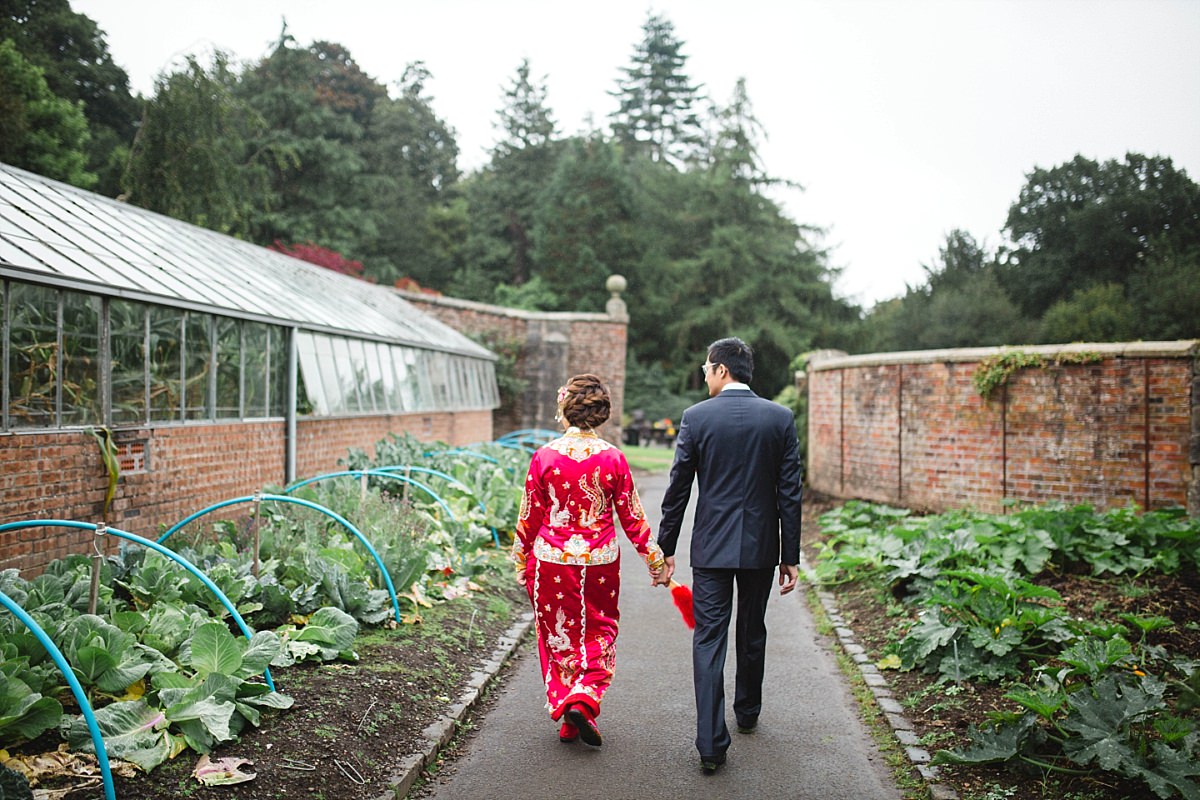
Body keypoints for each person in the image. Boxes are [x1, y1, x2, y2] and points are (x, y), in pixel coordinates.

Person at [655, 337, 803, 774]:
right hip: (760, 547)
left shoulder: (697, 418)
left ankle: (710, 744)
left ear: (722, 370)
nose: (703, 374)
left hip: (711, 548)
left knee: (708, 638)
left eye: (706, 367)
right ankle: (749, 711)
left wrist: (665, 549)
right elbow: (789, 493)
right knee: (751, 629)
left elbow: (678, 488)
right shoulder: (779, 418)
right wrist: (788, 555)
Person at [511, 373, 666, 747]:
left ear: (565, 408)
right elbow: (632, 516)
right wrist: (654, 560)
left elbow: (529, 514)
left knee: (557, 633)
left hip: (552, 560)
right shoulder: (613, 458)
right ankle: (584, 700)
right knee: (599, 631)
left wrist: (520, 559)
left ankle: (568, 711)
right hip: (599, 561)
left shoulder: (544, 457)